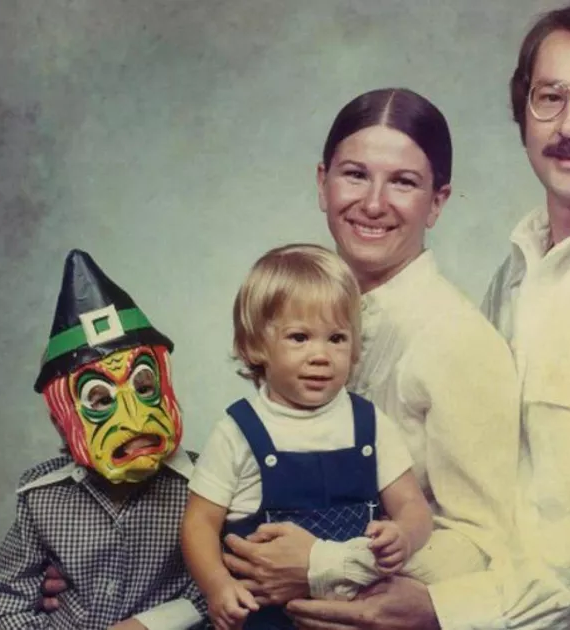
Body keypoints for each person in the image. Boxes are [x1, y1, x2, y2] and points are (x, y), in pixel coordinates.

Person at [285, 2, 570, 629]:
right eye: (550, 97)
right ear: (523, 113)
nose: (569, 125)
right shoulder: (523, 271)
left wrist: (448, 609)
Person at [217, 88, 522, 622]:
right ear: (322, 183)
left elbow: (485, 542)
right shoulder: (301, 308)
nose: (374, 203)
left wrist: (327, 566)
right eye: (355, 174)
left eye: (403, 182)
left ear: (438, 202)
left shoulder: (457, 339)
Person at [180, 244, 433, 630]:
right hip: (266, 620)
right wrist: (217, 586)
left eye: (336, 338)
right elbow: (199, 524)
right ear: (256, 345)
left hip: (354, 618)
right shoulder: (238, 431)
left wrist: (404, 535)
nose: (321, 355)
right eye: (300, 338)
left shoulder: (369, 423)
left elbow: (413, 507)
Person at [0, 249, 207, 630]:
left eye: (144, 386)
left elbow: (229, 586)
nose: (134, 419)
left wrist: (148, 625)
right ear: (61, 419)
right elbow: (5, 599)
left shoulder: (207, 484)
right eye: (100, 399)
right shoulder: (41, 498)